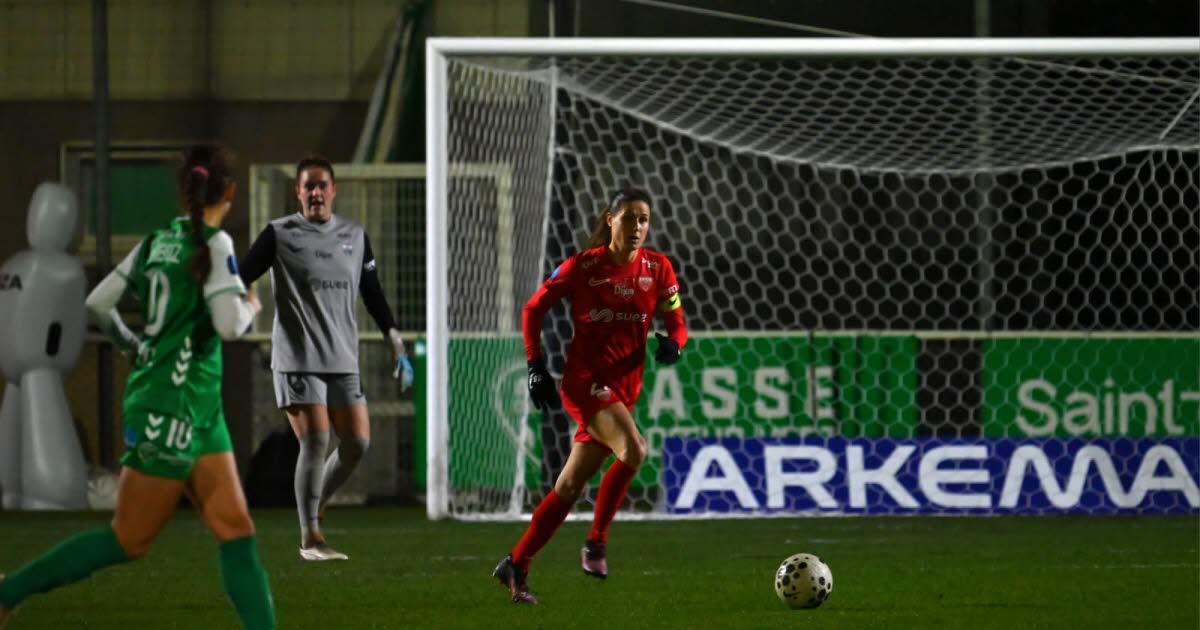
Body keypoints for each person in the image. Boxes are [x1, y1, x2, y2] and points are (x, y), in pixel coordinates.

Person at [0, 145, 277, 629]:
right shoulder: (215, 245)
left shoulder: (155, 242)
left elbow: (98, 303)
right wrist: (253, 304)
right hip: (172, 409)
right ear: (229, 192)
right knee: (128, 539)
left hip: (198, 410)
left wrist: (133, 344)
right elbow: (229, 325)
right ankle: (7, 593)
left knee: (236, 530)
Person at [492, 187, 688, 605]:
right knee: (634, 450)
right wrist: (534, 365)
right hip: (586, 384)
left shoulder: (659, 268)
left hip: (624, 390)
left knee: (568, 487)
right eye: (630, 217)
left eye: (644, 219)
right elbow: (533, 309)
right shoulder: (584, 267)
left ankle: (517, 563)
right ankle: (595, 543)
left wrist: (675, 344)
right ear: (609, 218)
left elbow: (678, 323)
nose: (638, 226)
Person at [238, 155, 413, 562]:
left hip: (342, 357)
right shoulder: (279, 234)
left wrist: (397, 344)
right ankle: (310, 538)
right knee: (315, 440)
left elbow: (373, 292)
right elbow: (241, 276)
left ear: (334, 190)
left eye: (322, 185)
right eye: (308, 186)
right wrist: (238, 304)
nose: (315, 192)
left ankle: (316, 503)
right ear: (297, 192)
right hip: (298, 357)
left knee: (357, 442)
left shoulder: (354, 234)